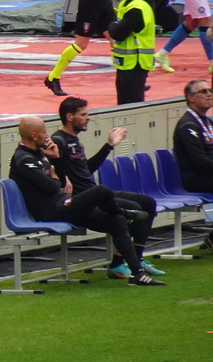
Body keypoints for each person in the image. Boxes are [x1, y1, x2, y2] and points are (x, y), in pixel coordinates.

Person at [9, 115, 164, 286]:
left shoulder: (41, 154)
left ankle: (137, 274)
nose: (47, 136)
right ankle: (122, 211)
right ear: (33, 135)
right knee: (101, 191)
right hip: (52, 211)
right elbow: (52, 187)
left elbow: (60, 183)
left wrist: (57, 160)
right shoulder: (24, 159)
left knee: (116, 221)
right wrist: (54, 177)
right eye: (44, 132)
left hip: (66, 204)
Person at [50, 96, 163, 279]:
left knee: (148, 203)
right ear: (69, 117)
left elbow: (86, 170)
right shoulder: (59, 141)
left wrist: (109, 146)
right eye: (83, 114)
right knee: (134, 210)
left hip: (94, 190)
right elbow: (51, 166)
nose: (88, 118)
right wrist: (62, 179)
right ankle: (119, 264)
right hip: (84, 198)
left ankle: (137, 259)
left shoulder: (75, 141)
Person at [108, 0, 155, 106]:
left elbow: (118, 33)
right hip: (127, 64)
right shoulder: (129, 3)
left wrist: (111, 24)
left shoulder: (136, 7)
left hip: (134, 64)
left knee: (131, 108)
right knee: (124, 106)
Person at [173, 79, 213, 238]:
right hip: (195, 178)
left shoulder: (207, 122)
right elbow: (199, 160)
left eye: (210, 91)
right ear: (191, 98)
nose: (209, 94)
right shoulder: (188, 125)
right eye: (203, 92)